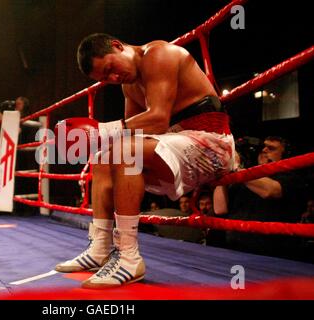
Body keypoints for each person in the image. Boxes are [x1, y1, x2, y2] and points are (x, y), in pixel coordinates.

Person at [54, 33, 235, 288]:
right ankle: (101, 248)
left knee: (124, 150)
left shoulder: (159, 54)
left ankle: (128, 257)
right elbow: (132, 133)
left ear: (118, 46)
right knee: (105, 158)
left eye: (110, 69)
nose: (114, 79)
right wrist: (102, 140)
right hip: (176, 144)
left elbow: (158, 119)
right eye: (105, 79)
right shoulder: (129, 86)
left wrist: (100, 131)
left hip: (212, 143)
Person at [213, 136, 306, 260]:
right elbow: (220, 208)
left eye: (271, 148)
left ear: (285, 155)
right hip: (235, 249)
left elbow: (269, 190)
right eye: (263, 146)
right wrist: (224, 174)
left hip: (272, 254)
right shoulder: (246, 178)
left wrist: (236, 168)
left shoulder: (292, 178)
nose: (264, 150)